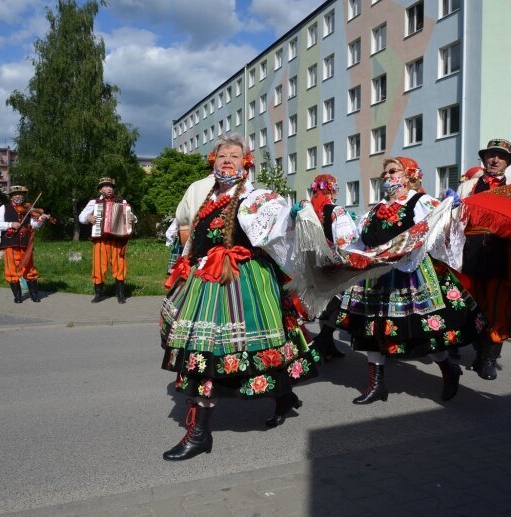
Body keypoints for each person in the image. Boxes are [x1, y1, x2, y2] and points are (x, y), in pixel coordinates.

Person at [159, 133, 317, 461]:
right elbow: (193, 241)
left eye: (234, 155)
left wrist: (292, 216)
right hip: (205, 281)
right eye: (221, 156)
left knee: (248, 349)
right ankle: (207, 429)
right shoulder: (206, 197)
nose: (227, 159)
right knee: (202, 351)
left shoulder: (257, 197)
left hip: (244, 281)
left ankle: (202, 432)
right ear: (212, 162)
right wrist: (184, 269)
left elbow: (278, 233)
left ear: (246, 163)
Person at [336, 157, 484, 403]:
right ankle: (376, 384)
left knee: (423, 331)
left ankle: (448, 369)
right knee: (373, 331)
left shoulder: (419, 201)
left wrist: (452, 207)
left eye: (392, 171)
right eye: (384, 174)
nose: (387, 177)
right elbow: (362, 240)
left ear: (409, 176)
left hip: (410, 274)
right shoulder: (376, 208)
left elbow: (444, 225)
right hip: (377, 276)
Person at [455, 139, 511, 381]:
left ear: (508, 162)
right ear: (484, 159)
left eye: (500, 156)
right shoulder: (468, 187)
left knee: (499, 307)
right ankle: (477, 349)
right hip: (470, 253)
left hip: (501, 254)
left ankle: (488, 358)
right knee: (471, 306)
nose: (495, 160)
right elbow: (456, 221)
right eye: (491, 155)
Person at [303, 174, 356, 361]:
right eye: (337, 189)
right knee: (338, 305)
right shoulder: (336, 211)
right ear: (332, 190)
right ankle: (321, 344)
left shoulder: (308, 211)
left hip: (313, 264)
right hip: (334, 264)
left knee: (326, 306)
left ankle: (328, 345)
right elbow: (345, 240)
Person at [78, 177, 137, 304]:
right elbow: (81, 217)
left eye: (110, 186)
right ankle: (99, 294)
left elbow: (133, 217)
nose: (108, 188)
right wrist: (88, 217)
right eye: (105, 186)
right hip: (100, 240)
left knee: (119, 266)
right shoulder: (94, 202)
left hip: (117, 240)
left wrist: (132, 219)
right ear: (100, 189)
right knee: (98, 266)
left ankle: (120, 294)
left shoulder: (122, 202)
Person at [0, 185, 50, 303]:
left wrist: (41, 219)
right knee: (11, 269)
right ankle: (18, 296)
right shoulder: (4, 208)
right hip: (10, 242)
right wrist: (10, 224)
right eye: (16, 194)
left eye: (21, 194)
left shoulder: (28, 209)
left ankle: (34, 295)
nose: (18, 196)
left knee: (29, 268)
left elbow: (34, 225)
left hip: (26, 243)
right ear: (11, 196)